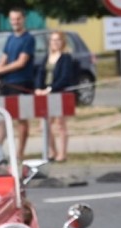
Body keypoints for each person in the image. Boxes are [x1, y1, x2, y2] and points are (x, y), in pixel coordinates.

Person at [0, 8, 35, 161]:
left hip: (21, 82)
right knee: (2, 116)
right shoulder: (10, 38)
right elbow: (5, 56)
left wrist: (1, 69)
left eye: (18, 19)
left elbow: (21, 62)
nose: (15, 22)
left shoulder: (28, 39)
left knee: (21, 118)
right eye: (13, 19)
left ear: (23, 19)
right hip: (7, 83)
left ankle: (20, 152)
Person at [34, 31, 73, 162]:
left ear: (63, 42)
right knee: (45, 124)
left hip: (59, 93)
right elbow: (40, 73)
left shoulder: (66, 57)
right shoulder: (47, 57)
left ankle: (62, 154)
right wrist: (39, 88)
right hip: (46, 93)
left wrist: (51, 89)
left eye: (58, 40)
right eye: (52, 40)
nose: (55, 43)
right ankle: (52, 151)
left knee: (61, 124)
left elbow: (65, 77)